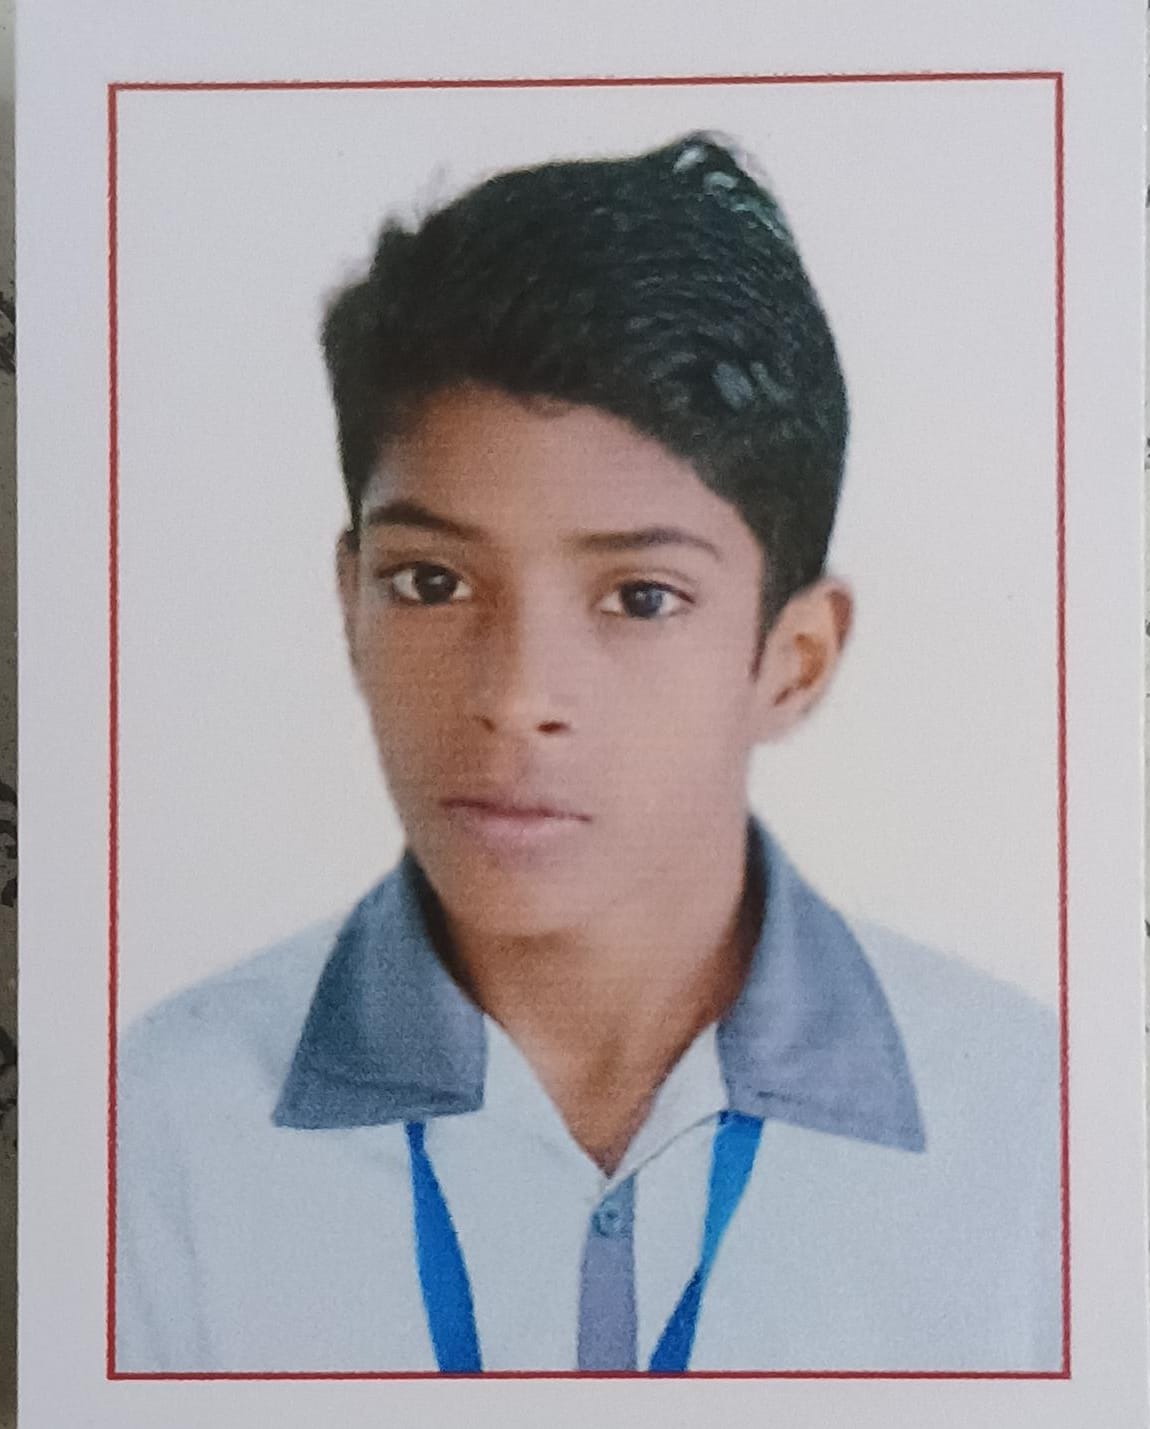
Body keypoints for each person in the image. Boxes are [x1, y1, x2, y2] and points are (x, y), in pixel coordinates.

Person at [115, 133, 1060, 1374]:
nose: (516, 698)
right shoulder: (157, 1127)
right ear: (350, 602)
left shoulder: (1038, 1133)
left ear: (794, 660)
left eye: (640, 598)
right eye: (432, 581)